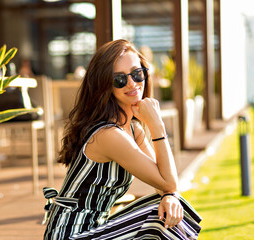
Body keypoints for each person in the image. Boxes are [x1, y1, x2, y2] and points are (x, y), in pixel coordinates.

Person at [42, 39, 201, 239]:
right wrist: (156, 124)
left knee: (168, 206)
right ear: (105, 86)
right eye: (120, 79)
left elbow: (165, 184)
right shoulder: (108, 135)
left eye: (137, 73)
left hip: (95, 228)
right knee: (157, 214)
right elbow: (169, 182)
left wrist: (169, 196)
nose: (132, 83)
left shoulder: (133, 130)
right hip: (70, 233)